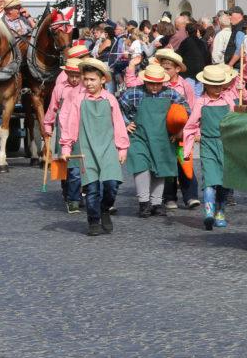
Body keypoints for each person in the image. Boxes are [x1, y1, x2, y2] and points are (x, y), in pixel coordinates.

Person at [59, 58, 129, 237]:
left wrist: (122, 148)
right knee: (91, 189)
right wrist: (66, 148)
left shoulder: (111, 99)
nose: (88, 83)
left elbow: (119, 124)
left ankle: (105, 208)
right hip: (86, 149)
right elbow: (71, 124)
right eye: (86, 79)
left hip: (107, 148)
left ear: (102, 80)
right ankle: (93, 219)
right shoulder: (78, 100)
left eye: (92, 79)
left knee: (111, 185)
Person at [125, 47, 199, 210]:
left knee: (164, 166)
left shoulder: (172, 93)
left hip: (164, 137)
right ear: (144, 80)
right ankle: (144, 202)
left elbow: (189, 112)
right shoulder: (133, 93)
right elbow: (116, 108)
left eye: (158, 84)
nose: (154, 87)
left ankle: (159, 202)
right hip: (140, 137)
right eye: (151, 83)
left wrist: (181, 132)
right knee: (141, 166)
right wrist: (125, 123)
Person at [184, 64, 238, 230]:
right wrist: (187, 149)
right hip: (208, 144)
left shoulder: (228, 99)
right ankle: (208, 212)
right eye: (213, 85)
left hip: (226, 144)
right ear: (205, 84)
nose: (217, 88)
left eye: (220, 85)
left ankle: (220, 212)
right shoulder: (201, 102)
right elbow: (191, 126)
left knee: (223, 182)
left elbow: (236, 121)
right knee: (209, 181)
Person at [42, 54, 86, 213]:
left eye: (77, 76)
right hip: (63, 128)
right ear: (66, 74)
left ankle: (76, 198)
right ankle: (67, 190)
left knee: (78, 165)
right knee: (65, 164)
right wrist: (48, 126)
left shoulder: (86, 88)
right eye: (71, 75)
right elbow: (52, 108)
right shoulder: (60, 88)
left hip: (81, 128)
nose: (74, 79)